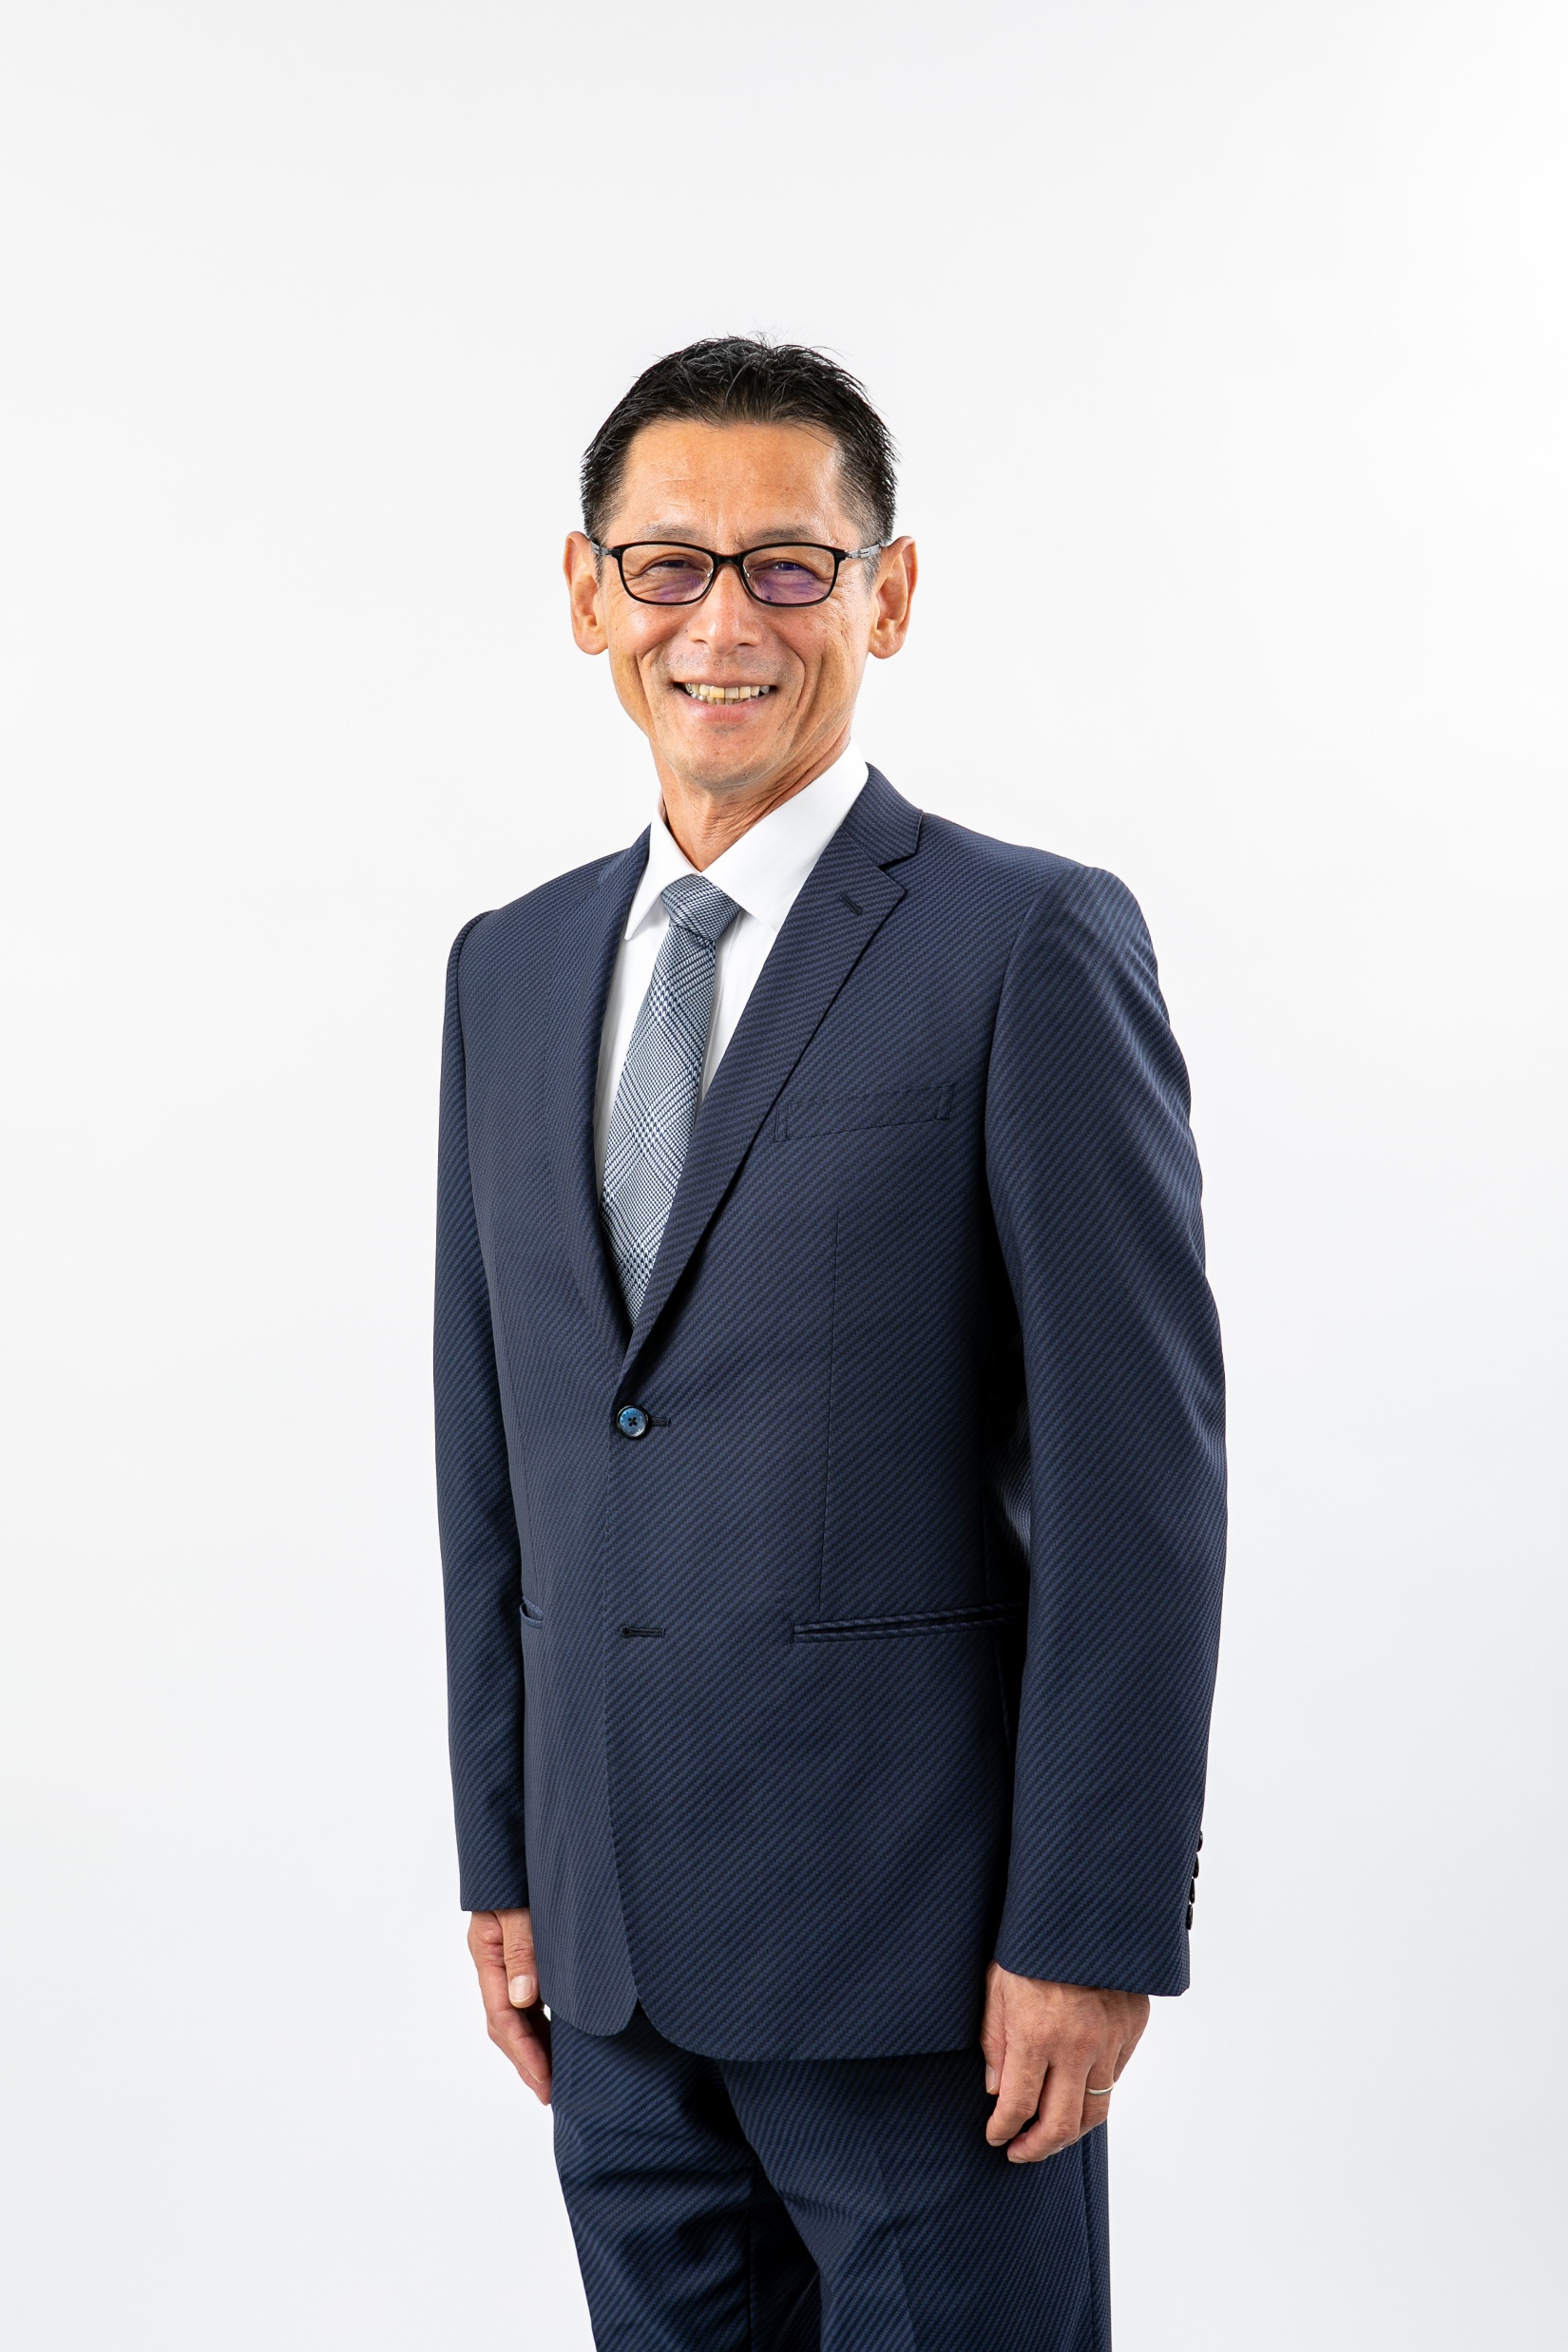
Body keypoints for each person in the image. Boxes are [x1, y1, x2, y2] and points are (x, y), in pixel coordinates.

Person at [433, 336, 1226, 2349]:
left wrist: (1090, 1926)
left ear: (888, 594)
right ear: (588, 592)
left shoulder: (1025, 943)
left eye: (788, 566)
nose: (723, 621)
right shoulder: (508, 969)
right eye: (668, 564)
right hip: (608, 1966)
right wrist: (504, 1855)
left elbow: (1138, 1483)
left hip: (925, 1974)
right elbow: (497, 1455)